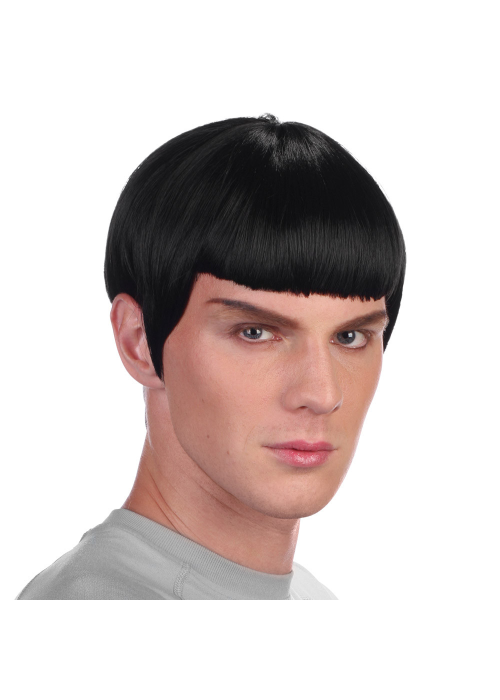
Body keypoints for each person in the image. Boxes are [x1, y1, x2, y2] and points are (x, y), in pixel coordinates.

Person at [16, 113, 406, 600]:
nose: (323, 394)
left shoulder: (310, 597)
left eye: (349, 337)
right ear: (139, 342)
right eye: (255, 332)